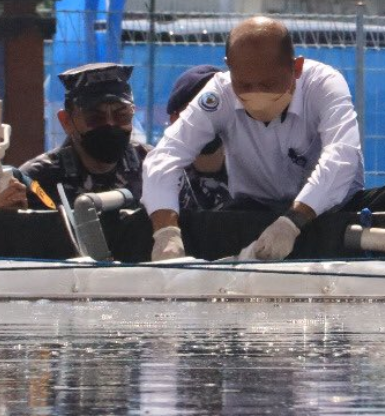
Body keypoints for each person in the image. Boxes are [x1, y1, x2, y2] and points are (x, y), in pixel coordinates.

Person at [143, 17, 365, 261]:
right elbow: (165, 157)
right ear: (229, 68)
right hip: (252, 213)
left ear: (297, 67)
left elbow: (342, 156)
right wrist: (166, 233)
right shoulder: (218, 94)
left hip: (331, 212)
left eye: (268, 84)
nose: (256, 94)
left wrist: (291, 223)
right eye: (244, 85)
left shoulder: (323, 85)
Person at [20, 63, 149, 206]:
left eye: (122, 115)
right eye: (95, 118)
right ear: (67, 121)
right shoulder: (37, 182)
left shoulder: (153, 167)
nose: (110, 125)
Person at [165, 64, 231, 212]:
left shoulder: (251, 169)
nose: (208, 118)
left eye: (216, 107)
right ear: (175, 119)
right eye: (196, 112)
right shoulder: (165, 173)